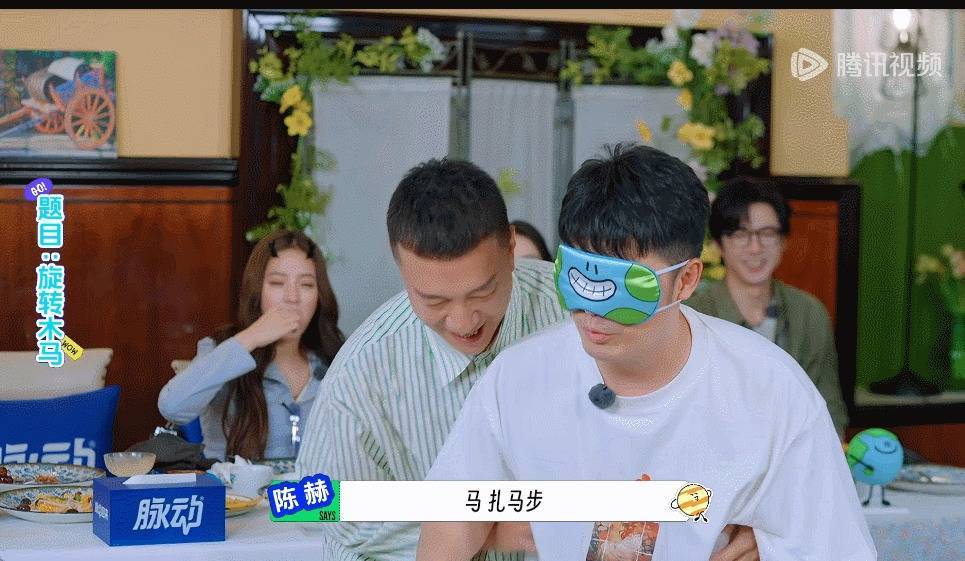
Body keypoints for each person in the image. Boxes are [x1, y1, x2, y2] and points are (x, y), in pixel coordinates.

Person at [418, 144, 875, 561]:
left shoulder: (771, 391)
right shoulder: (518, 378)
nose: (592, 310)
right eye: (578, 276)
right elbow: (448, 524)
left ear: (686, 280)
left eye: (623, 287)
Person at [297, 158, 761, 561]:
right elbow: (310, 503)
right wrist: (490, 526)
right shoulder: (364, 368)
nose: (462, 320)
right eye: (433, 300)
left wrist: (734, 516)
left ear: (511, 247)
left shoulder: (581, 306)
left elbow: (678, 408)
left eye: (484, 291)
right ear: (400, 267)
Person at [158, 229, 344, 460]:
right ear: (257, 291)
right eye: (277, 283)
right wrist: (252, 336)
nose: (292, 297)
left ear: (319, 296)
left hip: (314, 485)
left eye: (306, 285)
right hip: (231, 484)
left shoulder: (336, 359)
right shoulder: (222, 348)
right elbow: (172, 407)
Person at [685, 180, 849, 437]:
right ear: (718, 244)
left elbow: (830, 412)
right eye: (741, 234)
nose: (755, 248)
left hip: (796, 453)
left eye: (767, 233)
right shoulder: (693, 316)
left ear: (783, 241)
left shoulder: (809, 313)